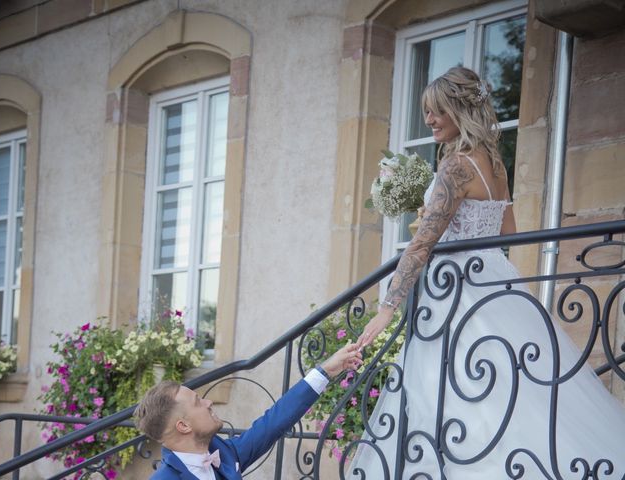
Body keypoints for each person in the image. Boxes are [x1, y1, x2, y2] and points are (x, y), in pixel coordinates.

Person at [351, 66, 625, 478]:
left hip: (455, 293)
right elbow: (507, 232)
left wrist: (387, 306)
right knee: (512, 394)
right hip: (495, 282)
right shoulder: (494, 164)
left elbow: (422, 245)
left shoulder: (456, 167)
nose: (428, 120)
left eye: (436, 111)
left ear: (460, 109)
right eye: (426, 112)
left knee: (448, 395)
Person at [134, 343, 362, 480]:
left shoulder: (223, 453)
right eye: (198, 402)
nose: (209, 402)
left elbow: (273, 422)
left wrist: (326, 371)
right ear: (183, 426)